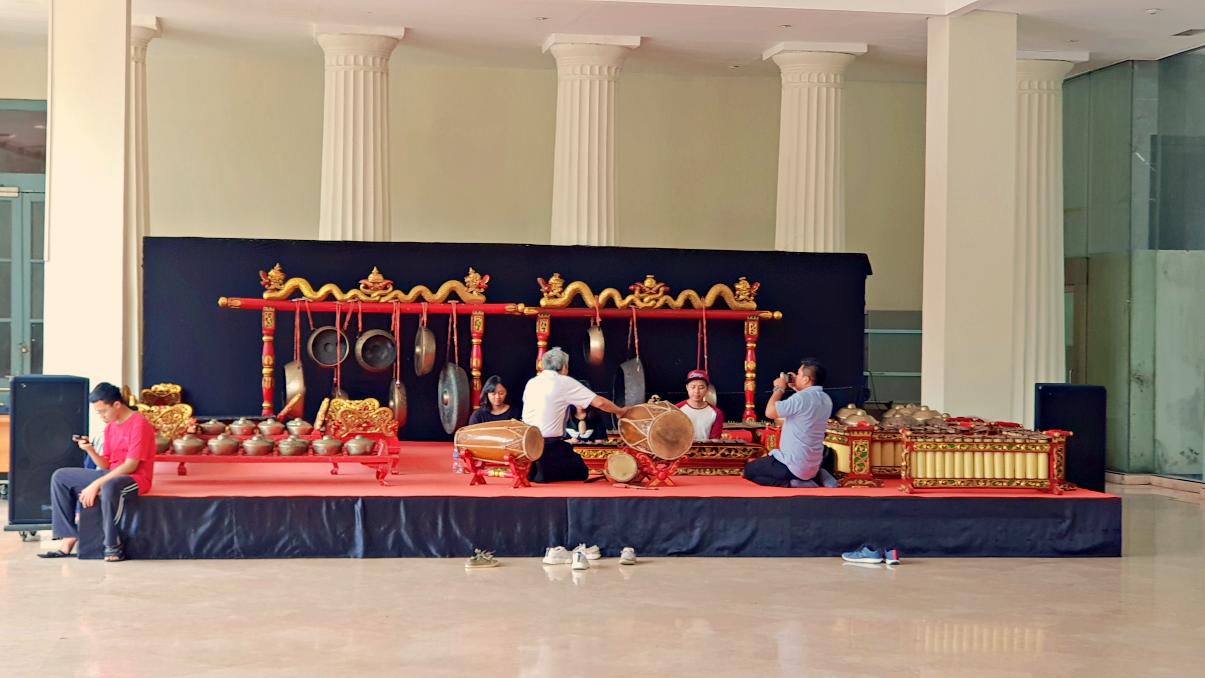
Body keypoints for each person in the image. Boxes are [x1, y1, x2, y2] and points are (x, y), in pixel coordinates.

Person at [38, 382, 156, 562]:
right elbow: (106, 464)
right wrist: (90, 450)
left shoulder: (139, 424)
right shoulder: (110, 427)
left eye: (103, 411)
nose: (101, 416)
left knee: (109, 486)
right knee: (60, 477)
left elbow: (131, 465)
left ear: (117, 404)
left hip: (135, 479)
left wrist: (96, 484)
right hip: (112, 475)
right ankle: (68, 536)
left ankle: (112, 545)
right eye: (98, 412)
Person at [522, 347, 628, 483]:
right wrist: (620, 411)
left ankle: (536, 468)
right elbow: (600, 403)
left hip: (526, 445)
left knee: (565, 452)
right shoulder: (563, 381)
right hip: (548, 447)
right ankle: (543, 469)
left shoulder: (532, 382)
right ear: (564, 367)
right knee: (581, 472)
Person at [743, 358, 833, 488]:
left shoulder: (800, 399)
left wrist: (779, 389)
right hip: (813, 466)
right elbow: (806, 405)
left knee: (749, 471)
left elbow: (770, 412)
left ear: (806, 380)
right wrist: (797, 388)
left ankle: (792, 483)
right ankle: (818, 476)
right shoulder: (826, 399)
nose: (795, 377)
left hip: (791, 466)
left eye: (799, 374)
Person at [675, 369, 724, 441]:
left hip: (706, 451)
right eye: (693, 387)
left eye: (701, 387)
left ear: (707, 389)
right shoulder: (676, 410)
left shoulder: (716, 413)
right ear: (687, 387)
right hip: (681, 451)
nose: (696, 391)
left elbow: (715, 441)